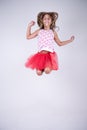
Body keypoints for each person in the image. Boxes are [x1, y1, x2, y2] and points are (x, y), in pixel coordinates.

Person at [25, 12, 75, 76]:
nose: (46, 20)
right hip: (40, 55)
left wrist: (70, 40)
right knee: (39, 73)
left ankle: (47, 66)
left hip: (49, 55)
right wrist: (29, 26)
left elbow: (60, 43)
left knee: (47, 71)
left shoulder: (53, 32)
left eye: (48, 19)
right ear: (42, 20)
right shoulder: (39, 31)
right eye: (45, 19)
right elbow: (28, 37)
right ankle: (42, 67)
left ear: (51, 21)